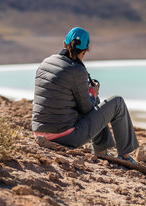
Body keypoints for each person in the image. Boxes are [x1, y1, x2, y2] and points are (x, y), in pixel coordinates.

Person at [31, 27, 139, 162]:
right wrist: (93, 92)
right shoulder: (76, 70)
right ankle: (125, 156)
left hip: (39, 132)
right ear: (86, 50)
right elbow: (87, 109)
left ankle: (102, 150)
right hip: (64, 137)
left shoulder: (45, 62)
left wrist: (91, 94)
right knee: (117, 102)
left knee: (96, 101)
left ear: (64, 43)